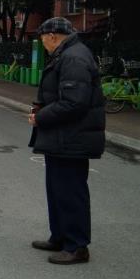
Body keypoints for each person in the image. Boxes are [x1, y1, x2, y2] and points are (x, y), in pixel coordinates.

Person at [28, 17, 105, 265]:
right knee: (58, 190)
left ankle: (77, 246)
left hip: (72, 138)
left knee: (70, 192)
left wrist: (41, 117)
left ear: (52, 36)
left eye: (43, 40)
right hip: (63, 137)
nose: (43, 44)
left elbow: (74, 102)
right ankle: (60, 237)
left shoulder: (74, 58)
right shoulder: (67, 54)